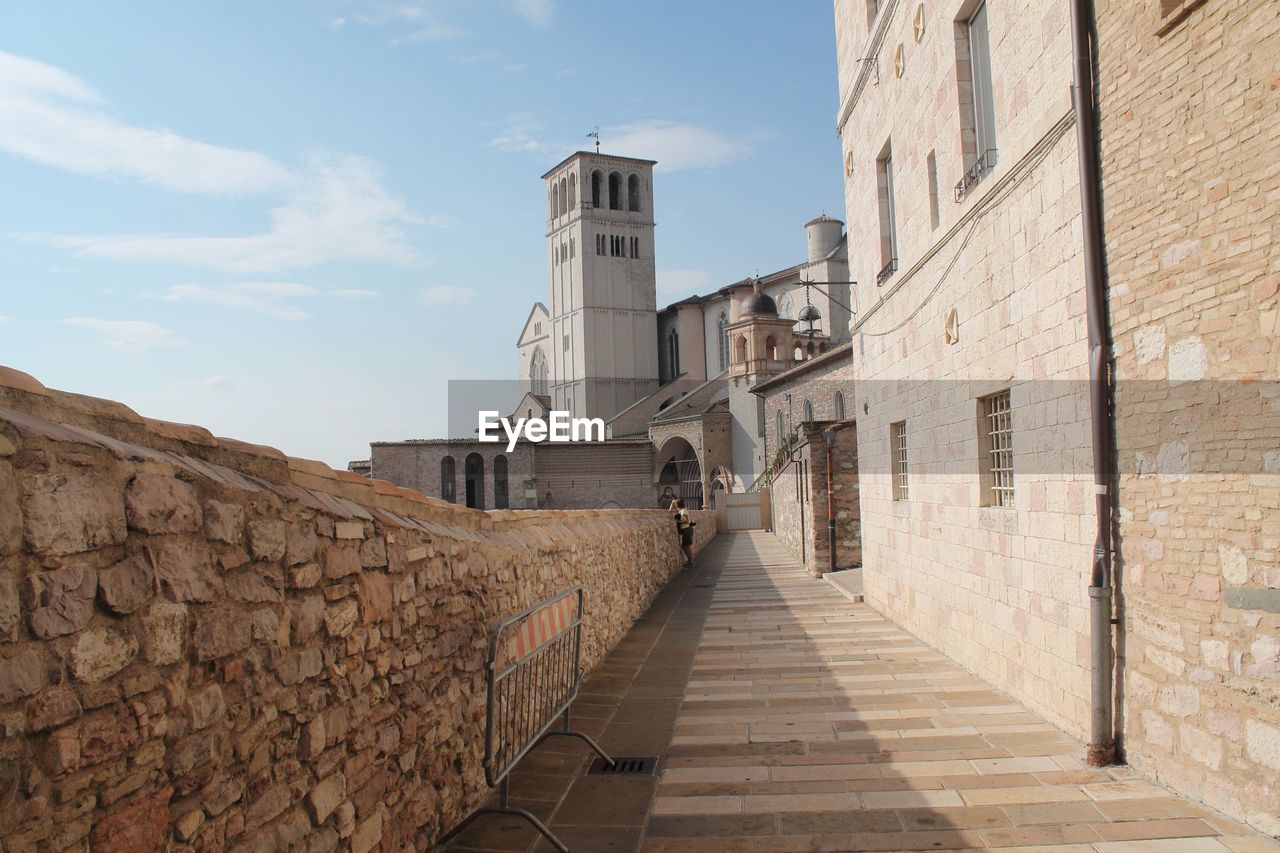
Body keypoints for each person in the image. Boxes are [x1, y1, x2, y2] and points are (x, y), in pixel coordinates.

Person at [669, 498, 695, 567]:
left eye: (676, 504)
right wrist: (673, 501)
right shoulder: (682, 510)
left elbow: (686, 521)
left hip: (686, 529)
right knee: (687, 546)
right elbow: (670, 510)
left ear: (678, 504)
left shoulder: (683, 511)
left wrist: (678, 521)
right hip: (687, 529)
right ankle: (690, 561)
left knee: (685, 546)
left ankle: (690, 561)